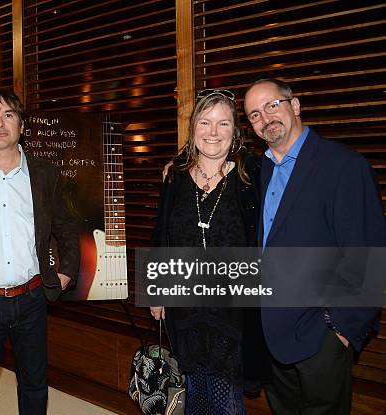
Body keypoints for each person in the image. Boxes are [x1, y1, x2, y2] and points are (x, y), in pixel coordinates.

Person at [244, 78, 386, 414]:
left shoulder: (343, 165)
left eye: (272, 105)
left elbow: (367, 253)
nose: (265, 117)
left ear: (294, 105)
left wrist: (340, 330)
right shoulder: (257, 170)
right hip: (272, 335)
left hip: (320, 335)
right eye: (254, 114)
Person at [0, 88, 80, 414]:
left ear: (21, 124)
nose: (0, 124)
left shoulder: (44, 174)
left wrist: (65, 273)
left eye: (8, 115)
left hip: (31, 301)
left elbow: (66, 227)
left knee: (34, 387)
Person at [150, 89, 270, 414]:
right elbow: (161, 236)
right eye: (205, 122)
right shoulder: (174, 177)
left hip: (233, 313)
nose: (213, 133)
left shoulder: (253, 175)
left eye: (223, 124)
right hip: (185, 308)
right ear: (193, 129)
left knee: (225, 400)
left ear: (236, 132)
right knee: (196, 397)